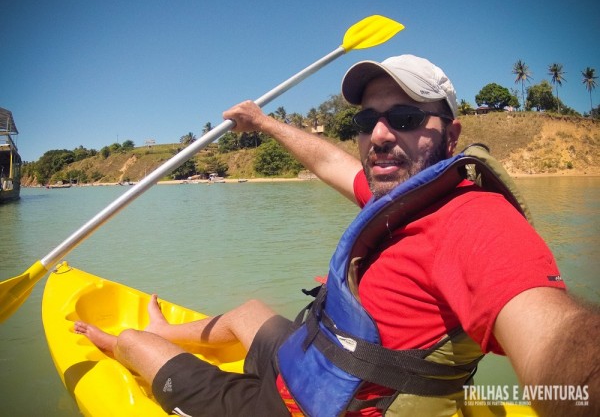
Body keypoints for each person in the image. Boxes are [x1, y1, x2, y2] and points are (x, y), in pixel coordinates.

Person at [76, 55, 599, 416]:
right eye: (368, 119)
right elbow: (328, 161)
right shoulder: (401, 196)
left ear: (452, 134)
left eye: (406, 117)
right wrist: (264, 123)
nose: (378, 135)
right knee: (247, 312)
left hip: (299, 408)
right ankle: (167, 330)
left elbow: (557, 340)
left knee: (130, 341)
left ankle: (131, 341)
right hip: (312, 359)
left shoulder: (473, 223)